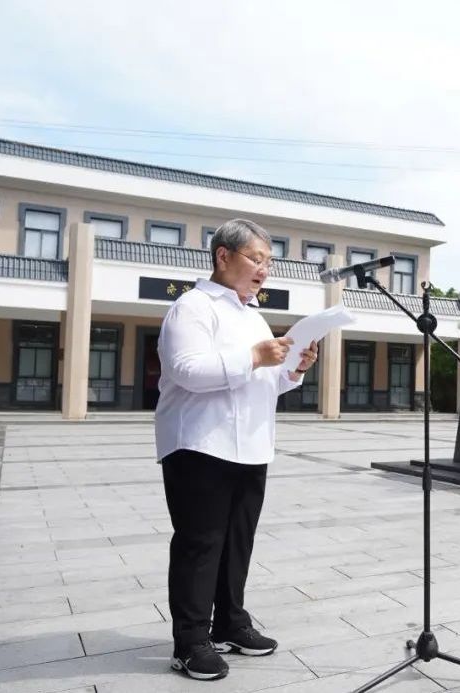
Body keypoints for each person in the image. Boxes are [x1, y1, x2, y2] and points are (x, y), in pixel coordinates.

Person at [155, 218, 318, 681]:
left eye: (269, 262)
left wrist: (293, 370)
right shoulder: (192, 307)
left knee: (237, 543)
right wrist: (254, 356)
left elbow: (264, 384)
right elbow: (187, 370)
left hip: (251, 447)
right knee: (200, 545)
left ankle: (230, 624)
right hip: (200, 446)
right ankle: (190, 642)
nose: (264, 270)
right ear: (223, 256)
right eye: (256, 259)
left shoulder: (252, 316)